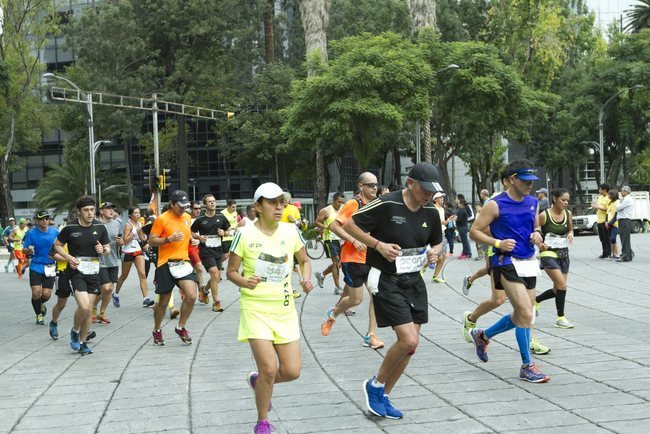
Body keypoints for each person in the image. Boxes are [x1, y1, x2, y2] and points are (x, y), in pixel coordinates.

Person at [344, 162, 443, 419]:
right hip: (385, 278)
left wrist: (435, 252)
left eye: (433, 193)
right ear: (411, 184)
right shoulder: (387, 203)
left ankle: (383, 395)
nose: (429, 197)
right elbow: (349, 225)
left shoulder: (431, 211)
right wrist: (378, 245)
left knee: (411, 345)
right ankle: (375, 384)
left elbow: (437, 242)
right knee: (408, 339)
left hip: (414, 280)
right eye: (425, 191)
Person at [226, 182, 313, 434]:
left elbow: (304, 260)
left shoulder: (291, 231)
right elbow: (231, 272)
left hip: (284, 308)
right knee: (268, 369)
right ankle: (262, 421)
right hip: (255, 308)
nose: (278, 207)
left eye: (281, 202)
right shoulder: (244, 234)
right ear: (258, 207)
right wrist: (246, 281)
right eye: (272, 203)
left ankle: (259, 382)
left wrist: (305, 277)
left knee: (292, 371)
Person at [468, 160, 550, 383]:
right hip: (505, 261)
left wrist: (537, 236)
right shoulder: (495, 205)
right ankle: (527, 366)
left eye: (532, 181)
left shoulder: (533, 203)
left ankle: (483, 335)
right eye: (525, 181)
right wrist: (497, 243)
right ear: (511, 179)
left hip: (528, 261)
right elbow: (473, 232)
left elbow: (534, 228)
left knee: (523, 314)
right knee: (524, 312)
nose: (529, 185)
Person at [320, 172, 384, 350]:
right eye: (370, 185)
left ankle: (370, 336)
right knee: (356, 299)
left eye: (376, 184)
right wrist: (354, 240)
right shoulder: (353, 203)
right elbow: (334, 226)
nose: (374, 188)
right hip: (352, 258)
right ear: (360, 186)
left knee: (376, 296)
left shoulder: (376, 204)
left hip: (371, 258)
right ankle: (333, 314)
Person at [54, 195, 110, 355]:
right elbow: (57, 245)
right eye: (86, 210)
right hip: (76, 272)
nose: (90, 213)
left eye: (92, 210)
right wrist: (68, 257)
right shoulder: (69, 228)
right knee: (84, 306)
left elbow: (107, 249)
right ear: (79, 212)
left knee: (88, 310)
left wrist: (103, 251)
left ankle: (82, 341)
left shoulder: (100, 228)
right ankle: (75, 330)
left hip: (93, 272)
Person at [148, 190, 198, 346]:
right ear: (172, 204)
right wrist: (168, 239)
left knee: (191, 295)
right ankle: (157, 329)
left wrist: (194, 240)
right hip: (165, 263)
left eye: (185, 206)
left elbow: (187, 234)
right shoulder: (162, 219)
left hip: (183, 262)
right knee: (163, 301)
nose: (183, 209)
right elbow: (152, 241)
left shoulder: (187, 217)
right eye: (180, 206)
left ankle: (180, 326)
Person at [534, 188, 575, 329]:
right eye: (563, 200)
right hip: (548, 254)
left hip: (563, 254)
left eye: (567, 200)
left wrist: (570, 234)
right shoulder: (544, 215)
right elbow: (533, 230)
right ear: (555, 199)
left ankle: (536, 300)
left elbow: (570, 229)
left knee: (558, 289)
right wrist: (539, 243)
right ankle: (560, 318)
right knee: (562, 285)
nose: (566, 202)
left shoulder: (568, 214)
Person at [191, 193, 231, 313]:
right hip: (206, 250)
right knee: (214, 272)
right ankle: (216, 303)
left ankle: (204, 291)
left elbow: (228, 230)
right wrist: (198, 237)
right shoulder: (200, 219)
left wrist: (224, 233)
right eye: (210, 201)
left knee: (217, 277)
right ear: (205, 205)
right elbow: (192, 232)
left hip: (218, 249)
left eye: (214, 201)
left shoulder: (221, 217)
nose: (213, 203)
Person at [22, 210, 58, 325]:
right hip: (36, 265)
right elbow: (24, 249)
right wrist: (28, 250)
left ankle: (41, 303)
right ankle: (39, 315)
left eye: (46, 218)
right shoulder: (31, 233)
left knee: (46, 294)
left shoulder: (55, 232)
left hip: (50, 266)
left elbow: (61, 247)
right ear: (37, 221)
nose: (44, 221)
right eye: (42, 219)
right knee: (36, 292)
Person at [113, 207, 154, 308]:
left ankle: (145, 298)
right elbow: (125, 240)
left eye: (139, 213)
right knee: (124, 276)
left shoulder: (140, 224)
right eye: (135, 213)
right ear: (130, 215)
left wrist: (145, 239)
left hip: (138, 251)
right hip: (127, 252)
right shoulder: (128, 225)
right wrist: (134, 232)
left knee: (142, 274)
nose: (138, 215)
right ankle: (116, 294)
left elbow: (142, 238)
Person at [93, 202, 121, 324]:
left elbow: (121, 239)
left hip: (113, 260)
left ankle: (102, 312)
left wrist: (122, 241)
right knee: (105, 287)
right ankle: (93, 308)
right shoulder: (94, 224)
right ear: (101, 211)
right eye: (108, 209)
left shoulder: (117, 223)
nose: (111, 211)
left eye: (112, 208)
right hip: (99, 260)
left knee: (110, 289)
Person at [315, 192, 345, 294]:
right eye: (338, 202)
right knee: (336, 263)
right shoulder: (326, 210)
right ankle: (337, 288)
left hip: (340, 239)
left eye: (342, 202)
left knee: (339, 264)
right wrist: (326, 227)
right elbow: (317, 222)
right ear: (333, 200)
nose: (340, 204)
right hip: (329, 239)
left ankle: (321, 275)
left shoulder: (343, 209)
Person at [431, 192, 452, 283]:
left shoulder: (442, 209)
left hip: (441, 233)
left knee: (443, 256)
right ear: (435, 199)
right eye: (440, 198)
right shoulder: (432, 208)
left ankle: (435, 276)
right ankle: (424, 267)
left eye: (443, 198)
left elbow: (443, 222)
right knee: (433, 255)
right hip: (433, 234)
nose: (442, 199)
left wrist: (449, 220)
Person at [592, 183, 611, 259]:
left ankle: (609, 253)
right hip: (599, 220)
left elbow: (608, 209)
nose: (599, 190)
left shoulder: (609, 198)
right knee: (602, 238)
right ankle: (604, 253)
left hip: (605, 220)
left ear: (605, 190)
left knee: (607, 238)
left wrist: (598, 207)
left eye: (600, 189)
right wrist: (595, 207)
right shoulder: (600, 197)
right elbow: (598, 206)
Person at [616, 186, 634, 262]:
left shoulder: (627, 199)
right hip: (624, 221)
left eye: (622, 191)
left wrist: (620, 201)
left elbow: (618, 208)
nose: (621, 192)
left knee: (624, 239)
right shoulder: (626, 199)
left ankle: (626, 256)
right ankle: (628, 254)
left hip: (625, 221)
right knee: (625, 239)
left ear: (626, 192)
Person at [221, 199, 239, 264]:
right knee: (225, 256)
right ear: (228, 206)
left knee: (234, 254)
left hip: (234, 237)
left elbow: (236, 223)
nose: (235, 209)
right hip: (226, 237)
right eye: (233, 207)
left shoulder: (235, 213)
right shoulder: (223, 213)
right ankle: (218, 263)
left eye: (235, 207)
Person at [456, 194, 473, 259]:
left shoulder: (465, 209)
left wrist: (456, 219)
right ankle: (465, 252)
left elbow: (470, 216)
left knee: (465, 240)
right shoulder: (460, 209)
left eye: (457, 199)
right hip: (462, 226)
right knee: (464, 240)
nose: (456, 201)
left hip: (463, 225)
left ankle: (467, 253)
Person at [605, 190, 620, 260]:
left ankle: (616, 254)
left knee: (613, 238)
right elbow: (607, 213)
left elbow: (616, 215)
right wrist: (606, 222)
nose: (608, 196)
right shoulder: (610, 203)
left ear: (613, 195)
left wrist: (609, 223)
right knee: (611, 240)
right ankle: (613, 254)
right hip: (609, 224)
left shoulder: (618, 203)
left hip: (615, 224)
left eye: (609, 195)